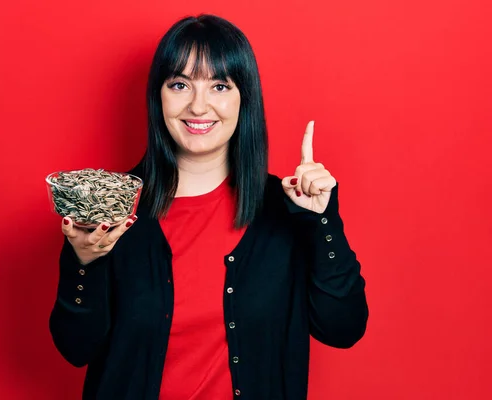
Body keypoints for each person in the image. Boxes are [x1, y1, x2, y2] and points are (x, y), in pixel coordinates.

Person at [49, 14, 368, 400]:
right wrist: (84, 262)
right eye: (180, 84)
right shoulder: (112, 210)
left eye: (219, 86)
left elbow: (343, 328)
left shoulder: (286, 209)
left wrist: (322, 221)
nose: (199, 106)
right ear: (159, 96)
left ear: (243, 98)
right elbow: (76, 348)